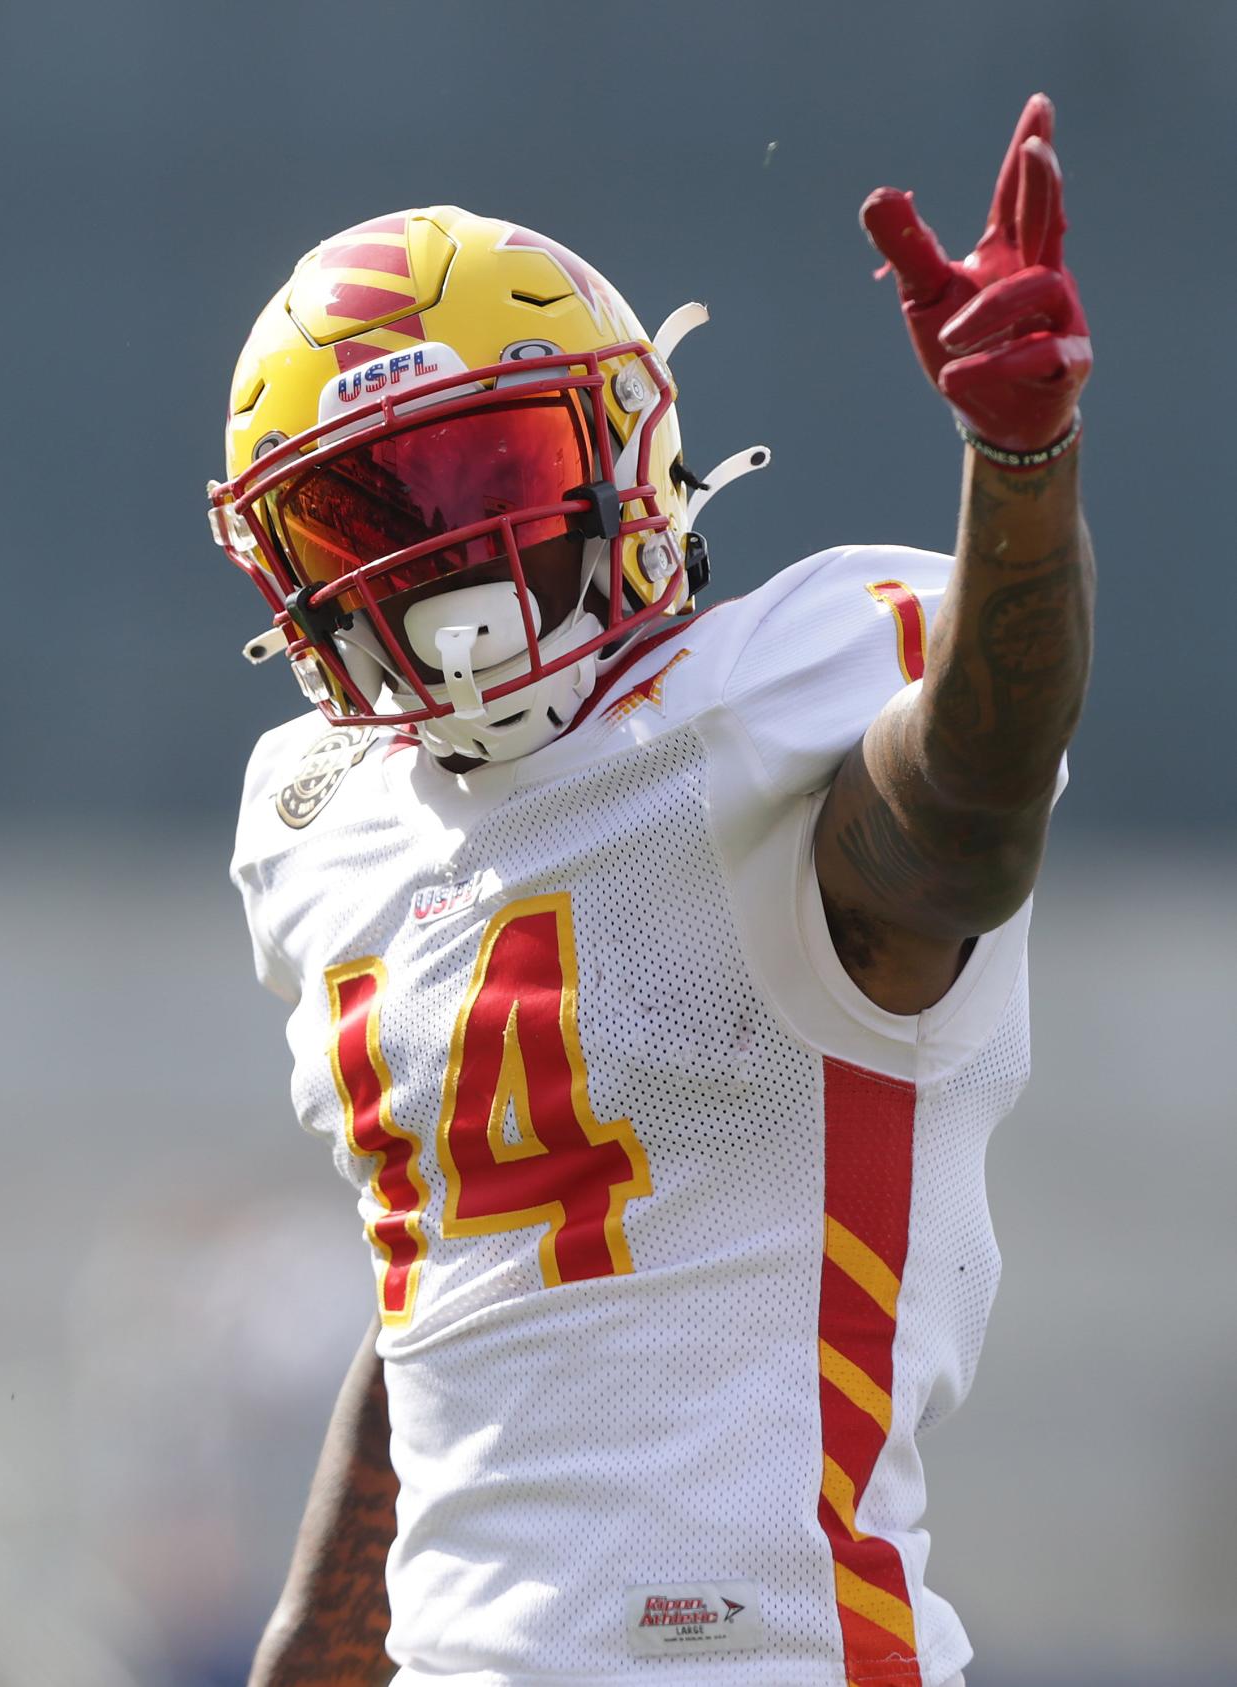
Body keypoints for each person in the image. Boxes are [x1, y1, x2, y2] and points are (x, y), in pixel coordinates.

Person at [211, 92, 1093, 1687]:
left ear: (627, 452)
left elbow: (959, 823)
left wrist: (1018, 464)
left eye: (484, 474)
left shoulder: (768, 708)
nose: (446, 568)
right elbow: (461, 1278)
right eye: (369, 521)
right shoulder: (318, 819)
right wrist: (311, 1657)